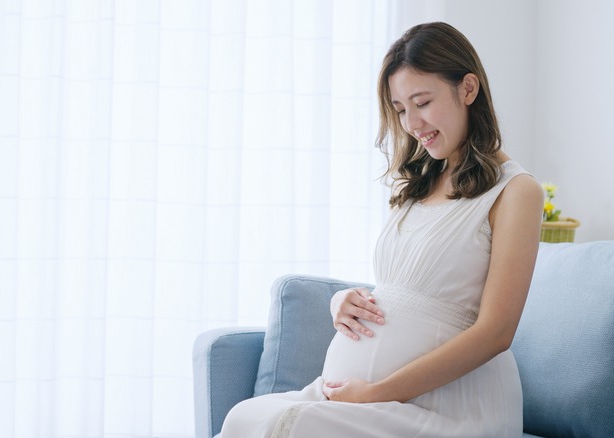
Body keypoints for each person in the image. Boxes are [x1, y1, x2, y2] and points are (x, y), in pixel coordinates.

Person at [221, 21, 543, 437]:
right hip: (372, 396)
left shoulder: (517, 192)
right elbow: (404, 290)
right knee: (243, 417)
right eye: (400, 108)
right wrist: (342, 301)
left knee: (303, 426)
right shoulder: (419, 186)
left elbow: (496, 332)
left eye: (422, 102)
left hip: (453, 405)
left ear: (468, 89)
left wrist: (379, 392)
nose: (411, 123)